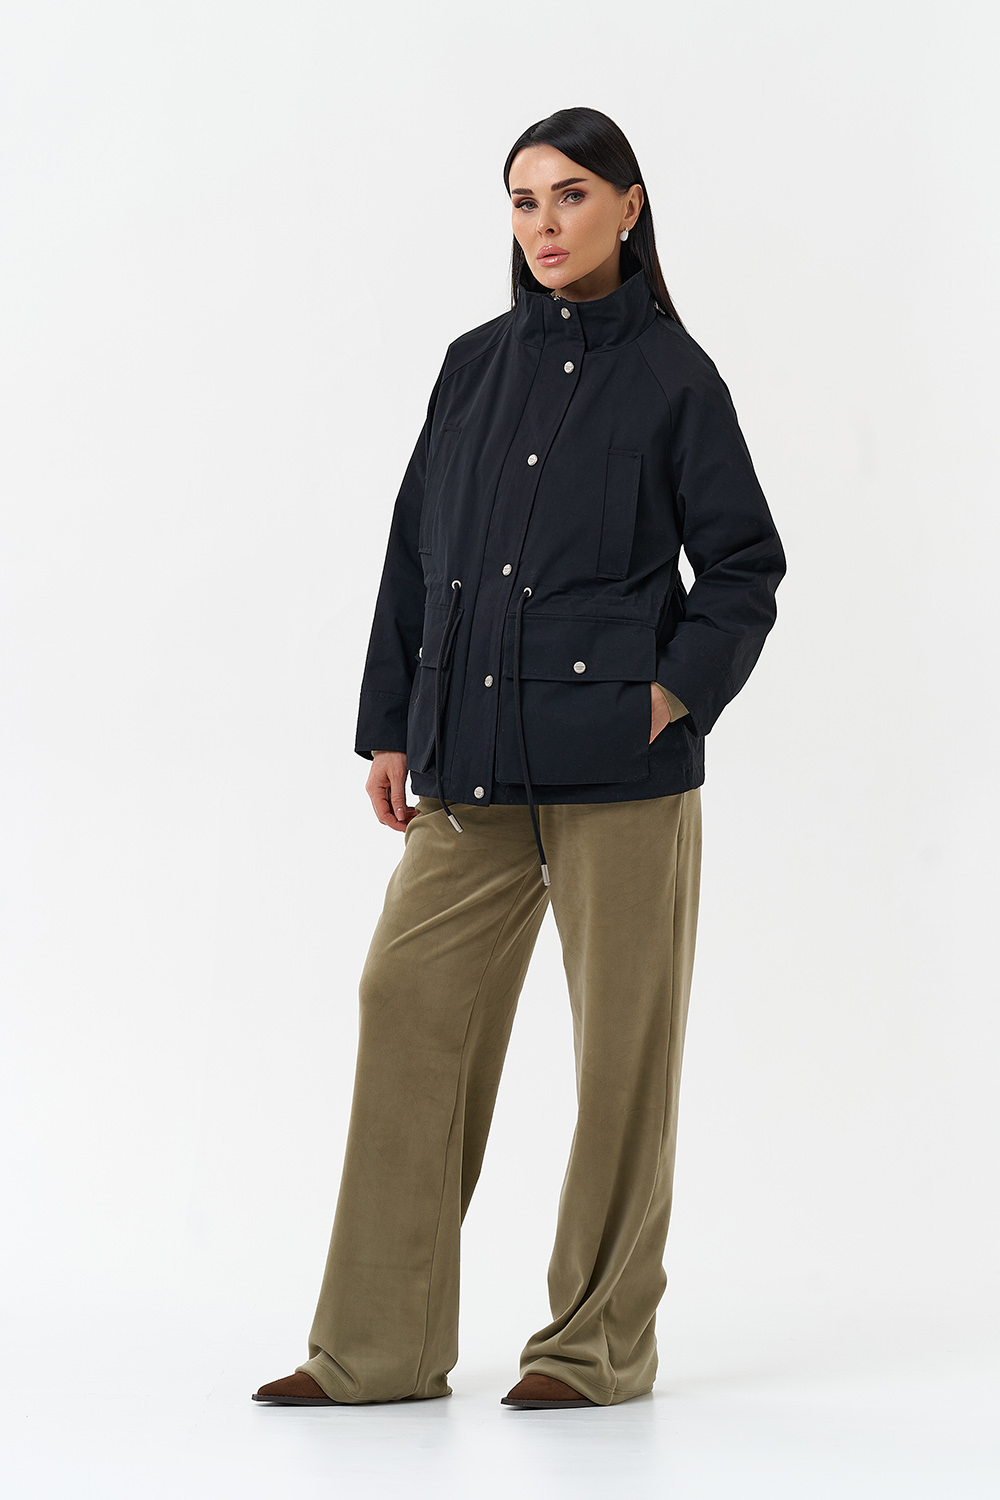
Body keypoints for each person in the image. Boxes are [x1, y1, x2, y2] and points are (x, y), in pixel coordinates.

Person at [253, 105, 786, 1412]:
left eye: (570, 195)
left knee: (620, 1063)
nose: (543, 223)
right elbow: (413, 551)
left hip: (621, 782)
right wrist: (391, 724)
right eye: (522, 200)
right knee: (404, 1001)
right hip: (470, 768)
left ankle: (592, 1348)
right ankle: (376, 1348)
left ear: (629, 207)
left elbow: (743, 565)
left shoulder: (675, 378)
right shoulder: (471, 367)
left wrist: (672, 698)